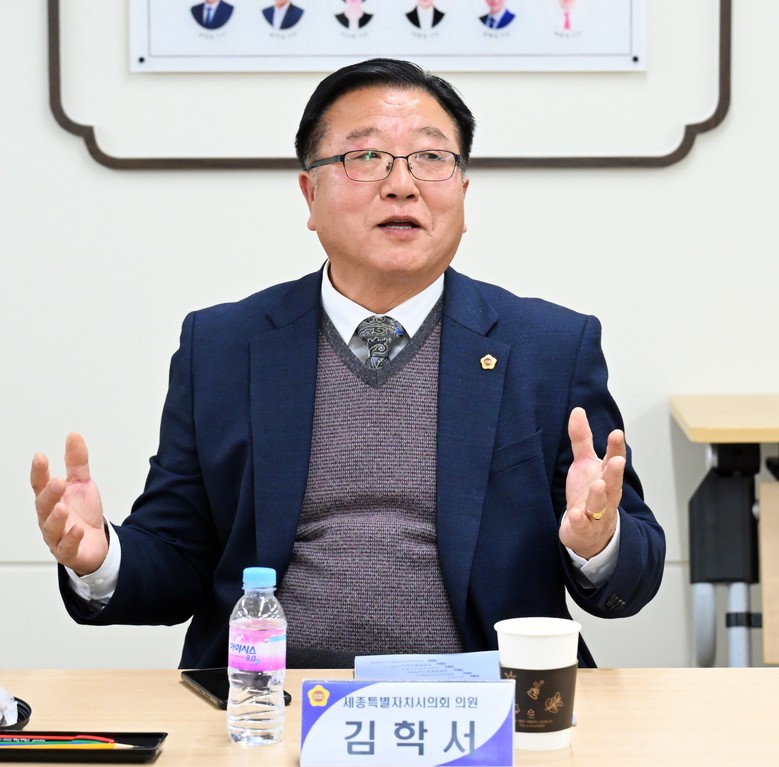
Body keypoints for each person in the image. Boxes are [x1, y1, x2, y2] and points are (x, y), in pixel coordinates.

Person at [31, 58, 665, 670]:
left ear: (463, 194)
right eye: (365, 157)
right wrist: (101, 559)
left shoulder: (549, 346)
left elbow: (634, 571)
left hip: (486, 704)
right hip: (272, 701)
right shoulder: (223, 345)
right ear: (309, 194)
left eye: (431, 158)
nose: (402, 184)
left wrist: (598, 542)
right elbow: (177, 559)